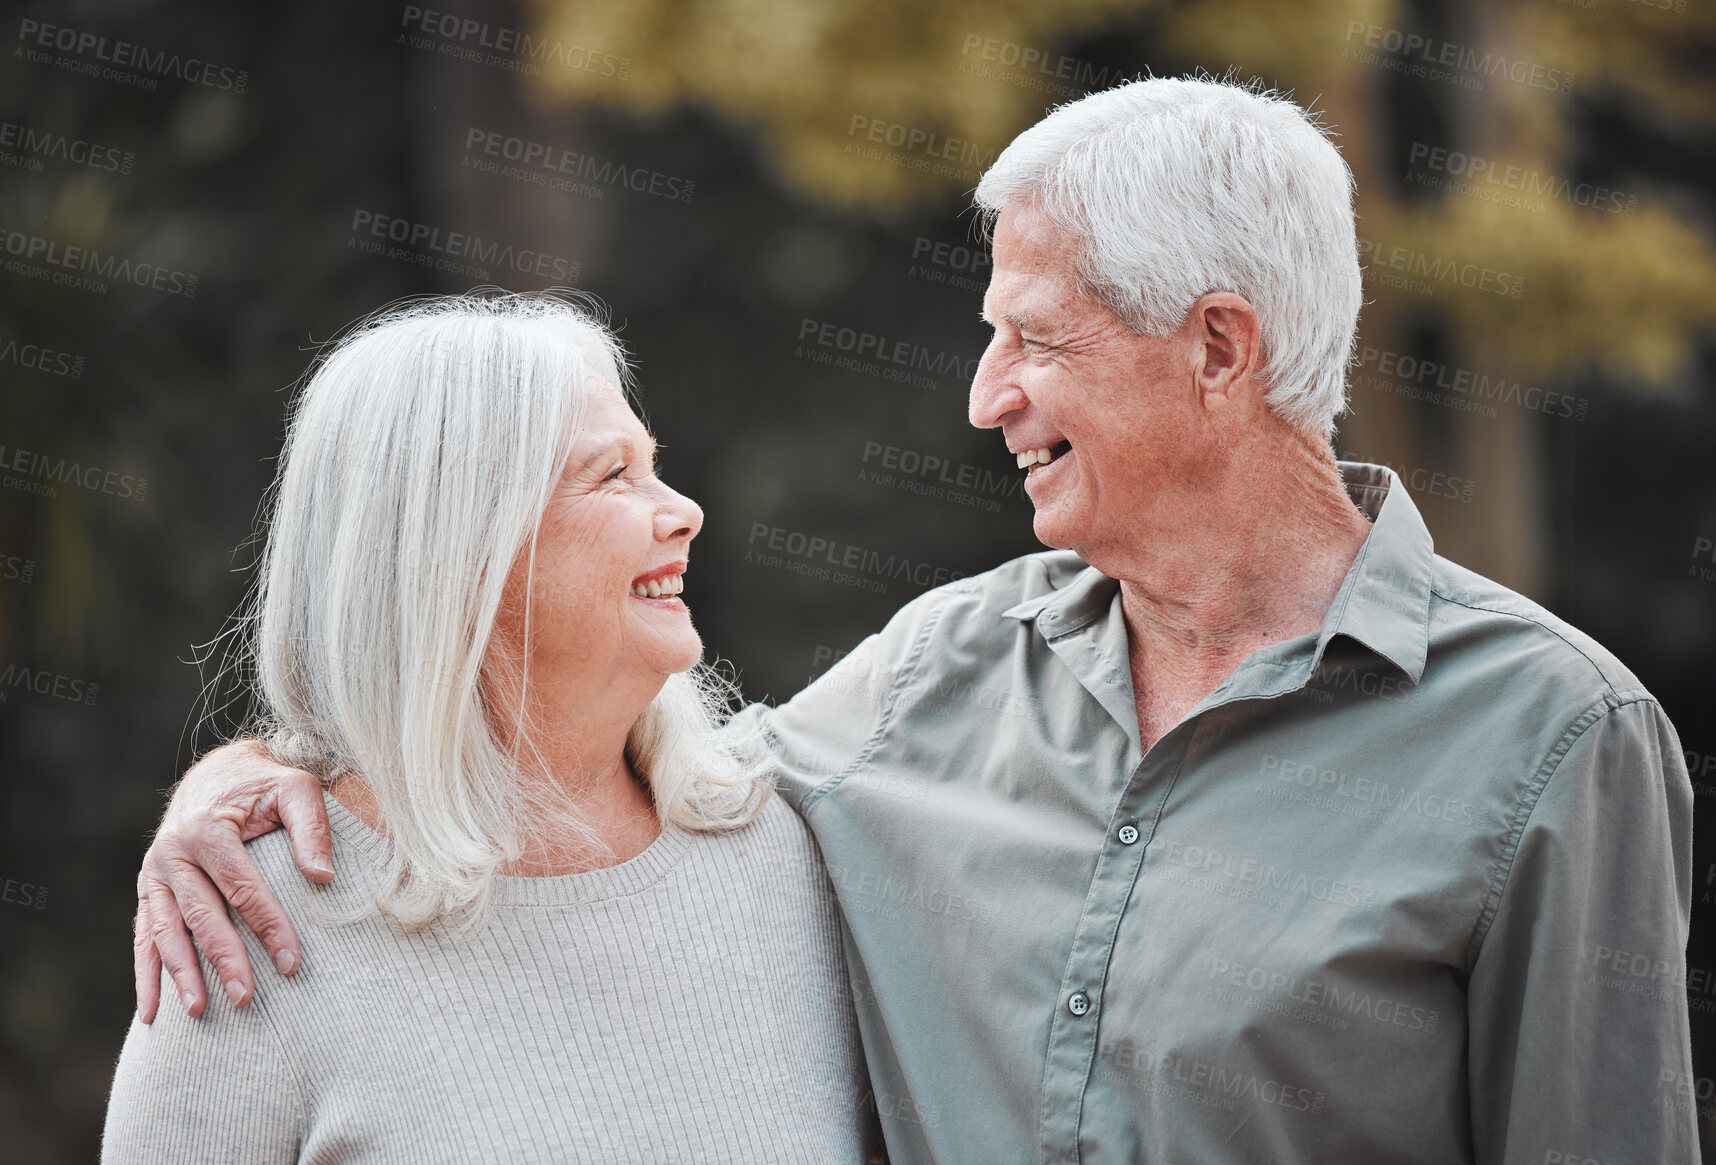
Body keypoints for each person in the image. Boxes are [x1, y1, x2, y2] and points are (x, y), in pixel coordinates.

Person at [129, 78, 1698, 1164]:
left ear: (1219, 349)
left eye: (1035, 338)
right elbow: (555, 755)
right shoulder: (937, 676)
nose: (986, 394)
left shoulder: (1553, 739)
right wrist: (259, 776)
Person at [103, 294, 877, 1162]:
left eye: (651, 466)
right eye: (614, 475)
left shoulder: (790, 849)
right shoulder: (246, 915)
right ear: (457, 548)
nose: (685, 510)